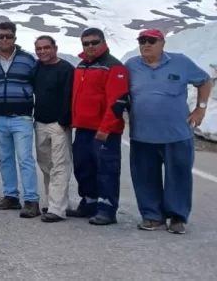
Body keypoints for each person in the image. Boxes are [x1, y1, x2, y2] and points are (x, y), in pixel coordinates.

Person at [125, 29, 212, 234]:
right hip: (142, 135)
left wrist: (201, 107)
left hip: (177, 134)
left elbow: (205, 80)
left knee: (179, 176)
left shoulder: (180, 62)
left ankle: (177, 217)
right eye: (142, 41)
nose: (146, 44)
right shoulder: (131, 66)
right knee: (144, 177)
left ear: (162, 43)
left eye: (151, 41)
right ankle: (152, 216)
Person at [70, 27, 129, 225]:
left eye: (94, 42)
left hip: (104, 131)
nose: (90, 46)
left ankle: (107, 208)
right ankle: (89, 202)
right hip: (83, 127)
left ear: (103, 42)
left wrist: (106, 128)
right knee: (83, 167)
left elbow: (118, 101)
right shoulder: (81, 65)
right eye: (86, 43)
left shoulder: (114, 67)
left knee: (106, 169)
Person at [0, 21, 40, 218]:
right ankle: (11, 197)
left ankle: (31, 200)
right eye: (0, 36)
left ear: (15, 37)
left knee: (25, 159)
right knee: (5, 159)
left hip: (21, 117)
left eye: (8, 36)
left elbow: (38, 85)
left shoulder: (27, 60)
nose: (4, 39)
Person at [32, 36, 75, 223]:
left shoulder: (66, 69)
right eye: (39, 48)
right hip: (40, 122)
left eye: (46, 48)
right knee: (45, 164)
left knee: (60, 165)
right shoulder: (36, 67)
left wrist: (64, 121)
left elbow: (70, 96)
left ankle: (57, 209)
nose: (42, 51)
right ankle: (56, 201)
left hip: (59, 124)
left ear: (55, 48)